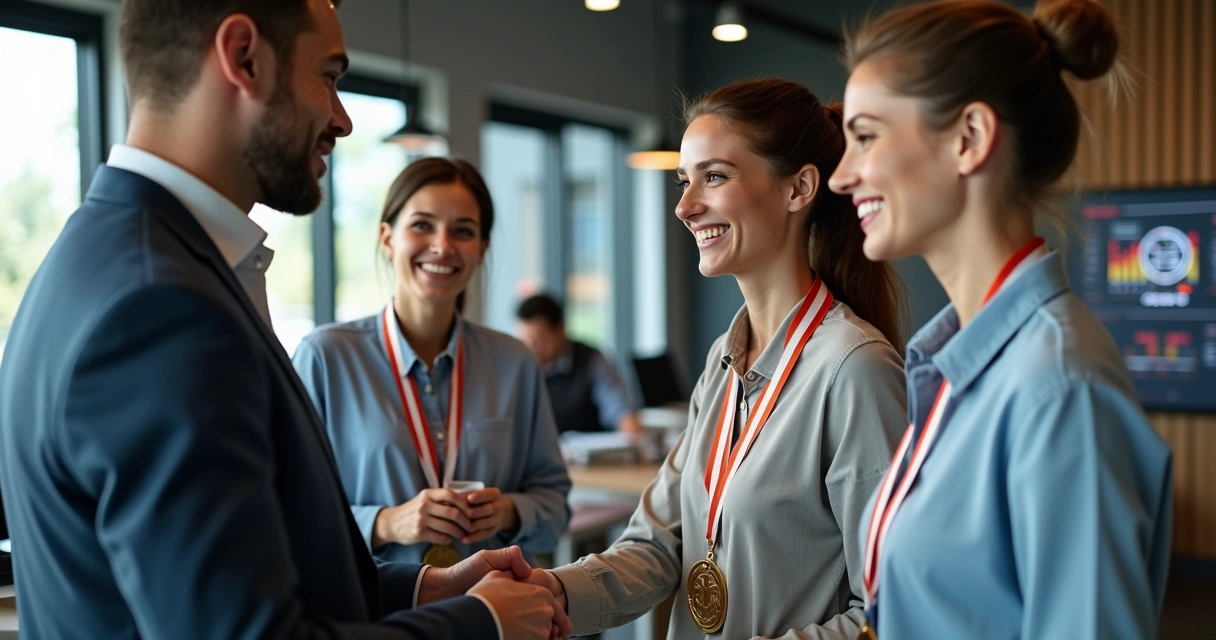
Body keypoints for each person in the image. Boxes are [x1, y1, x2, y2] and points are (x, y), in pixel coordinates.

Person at [0, 1, 570, 638]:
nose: (343, 119)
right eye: (328, 77)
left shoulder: (106, 254)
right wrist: (480, 622)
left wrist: (422, 586)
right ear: (243, 57)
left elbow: (249, 572)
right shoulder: (163, 307)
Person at [827, 1, 1173, 638]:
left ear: (970, 140)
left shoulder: (1059, 389)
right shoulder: (962, 364)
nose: (843, 176)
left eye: (866, 136)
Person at [528, 78, 910, 639]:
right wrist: (552, 592)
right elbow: (660, 544)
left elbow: (891, 610)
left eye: (715, 176)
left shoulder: (855, 368)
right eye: (684, 181)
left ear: (799, 188)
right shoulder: (721, 362)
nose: (684, 206)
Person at [292, 158, 571, 568]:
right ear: (387, 239)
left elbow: (555, 507)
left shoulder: (515, 363)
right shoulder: (325, 358)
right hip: (377, 618)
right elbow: (288, 511)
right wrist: (386, 523)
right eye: (422, 225)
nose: (442, 245)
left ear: (482, 250)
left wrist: (508, 511)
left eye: (463, 231)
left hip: (491, 611)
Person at [516, 293, 643, 437]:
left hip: (587, 455)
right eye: (526, 340)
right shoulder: (519, 366)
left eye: (540, 339)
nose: (533, 348)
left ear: (561, 330)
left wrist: (633, 437)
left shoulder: (590, 360)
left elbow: (621, 411)